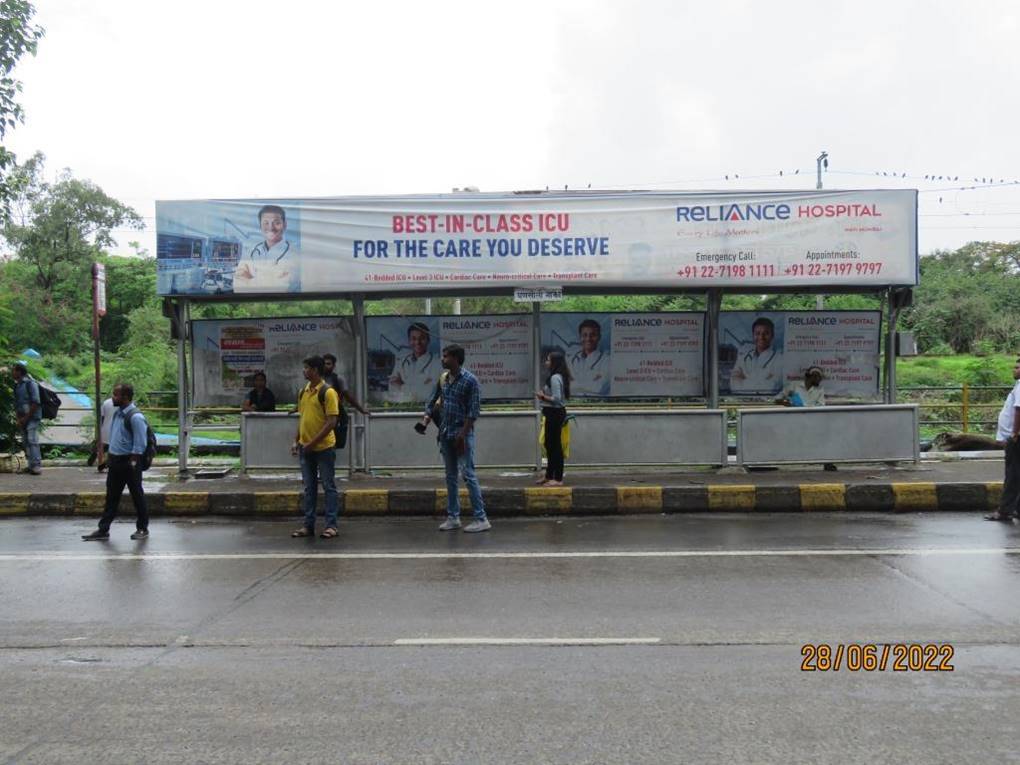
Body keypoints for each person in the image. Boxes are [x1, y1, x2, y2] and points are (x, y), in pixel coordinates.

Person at [427, 344, 490, 533]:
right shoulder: (446, 380)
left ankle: (481, 518)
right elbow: (443, 404)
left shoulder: (470, 381)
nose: (442, 359)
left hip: (462, 435)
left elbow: (473, 412)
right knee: (450, 477)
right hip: (446, 434)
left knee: (468, 475)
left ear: (456, 359)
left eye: (446, 356)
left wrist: (462, 435)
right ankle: (453, 517)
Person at [82, 383, 150, 541]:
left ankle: (142, 528)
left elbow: (140, 444)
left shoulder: (136, 417)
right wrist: (109, 458)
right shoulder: (118, 413)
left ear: (125, 397)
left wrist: (132, 464)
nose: (113, 397)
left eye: (116, 395)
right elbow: (116, 438)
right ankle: (103, 529)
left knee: (137, 495)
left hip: (129, 462)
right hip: (115, 461)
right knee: (111, 496)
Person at [291, 355, 341, 538]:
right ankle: (308, 525)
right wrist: (296, 440)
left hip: (324, 448)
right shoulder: (303, 392)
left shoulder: (327, 392)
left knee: (328, 486)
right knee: (309, 488)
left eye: (306, 368)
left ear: (315, 370)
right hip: (306, 448)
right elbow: (302, 418)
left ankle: (331, 525)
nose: (304, 371)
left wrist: (312, 443)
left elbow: (331, 422)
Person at [233, 204, 300, 292]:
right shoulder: (251, 251)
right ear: (260, 226)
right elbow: (238, 286)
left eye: (276, 223)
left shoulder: (295, 253)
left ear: (285, 225)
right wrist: (272, 278)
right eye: (266, 223)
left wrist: (250, 280)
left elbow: (284, 287)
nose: (271, 227)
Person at [985, 357, 1020, 522]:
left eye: (1018, 367)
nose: (1014, 369)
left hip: (1016, 438)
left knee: (1012, 475)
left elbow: (1019, 410)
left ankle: (1004, 511)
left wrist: (1014, 433)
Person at [535, 351, 572, 486]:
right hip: (552, 413)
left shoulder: (555, 378)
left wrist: (542, 397)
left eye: (548, 360)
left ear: (554, 362)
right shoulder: (556, 376)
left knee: (555, 446)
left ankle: (558, 478)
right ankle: (549, 475)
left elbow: (557, 399)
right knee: (549, 445)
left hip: (555, 413)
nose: (546, 362)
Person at [322, 353, 369, 450]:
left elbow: (348, 397)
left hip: (334, 414)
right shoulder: (317, 379)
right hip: (320, 414)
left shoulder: (338, 379)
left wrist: (361, 410)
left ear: (334, 366)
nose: (326, 366)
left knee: (333, 444)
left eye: (328, 364)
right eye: (324, 363)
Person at [387, 322, 439, 402]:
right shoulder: (401, 363)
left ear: (428, 340)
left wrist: (402, 385)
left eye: (422, 338)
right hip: (404, 410)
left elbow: (430, 394)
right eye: (413, 339)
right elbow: (392, 390)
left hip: (426, 411)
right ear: (409, 341)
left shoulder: (437, 364)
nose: (417, 342)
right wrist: (420, 387)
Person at [730, 317, 783, 394]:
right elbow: (733, 386)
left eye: (766, 333)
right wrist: (762, 381)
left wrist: (743, 380)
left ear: (772, 335)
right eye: (757, 333)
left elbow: (772, 387)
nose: (761, 337)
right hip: (743, 403)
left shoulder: (780, 358)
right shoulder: (743, 357)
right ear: (753, 335)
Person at [11, 363, 42, 475]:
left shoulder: (30, 384)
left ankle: (37, 465)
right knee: (26, 441)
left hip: (32, 417)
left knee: (32, 440)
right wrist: (19, 419)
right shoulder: (17, 386)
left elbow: (35, 402)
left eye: (14, 371)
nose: (12, 373)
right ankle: (31, 465)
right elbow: (17, 404)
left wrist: (26, 418)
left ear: (19, 372)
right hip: (23, 417)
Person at [569, 318, 609, 396]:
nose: (588, 339)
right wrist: (590, 383)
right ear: (580, 337)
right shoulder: (571, 359)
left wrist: (574, 384)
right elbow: (565, 385)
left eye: (593, 335)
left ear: (599, 337)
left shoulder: (607, 360)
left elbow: (599, 388)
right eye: (584, 335)